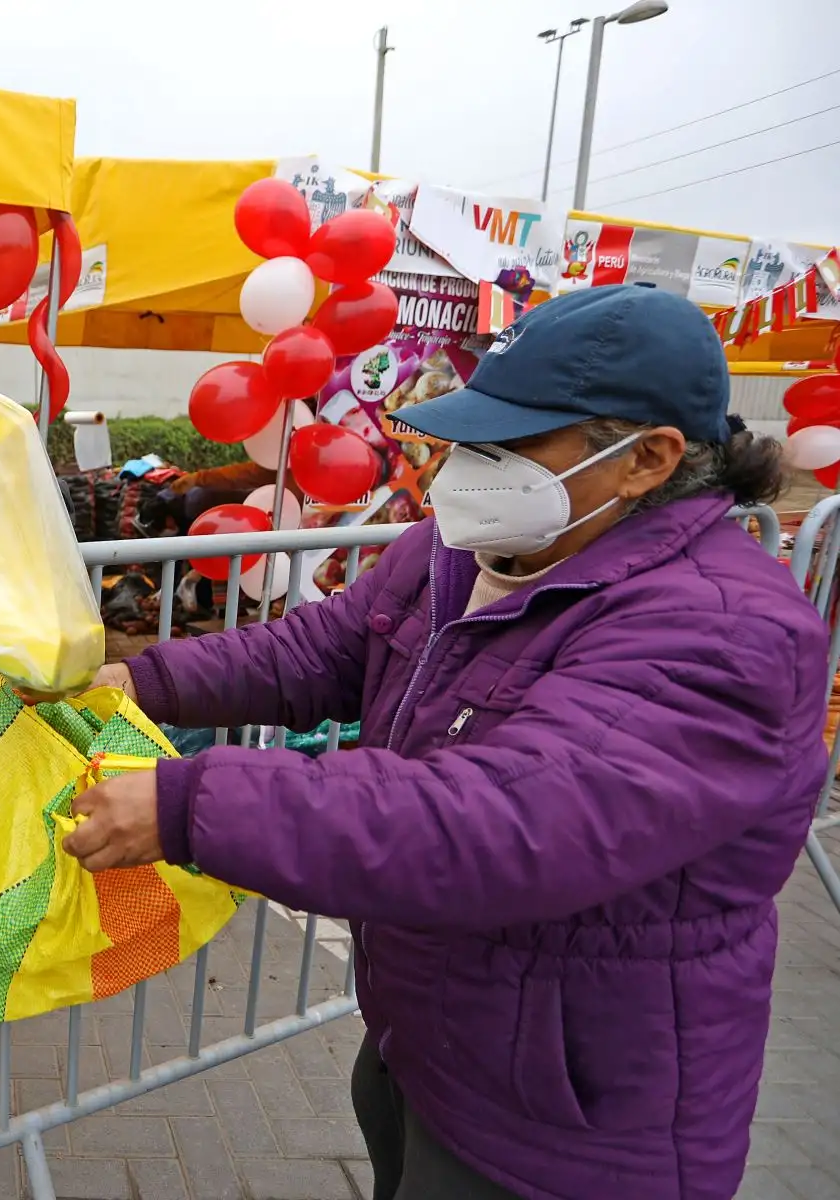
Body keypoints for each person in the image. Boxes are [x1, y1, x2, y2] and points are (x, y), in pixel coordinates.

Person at [60, 286, 829, 1200]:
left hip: (568, 1122)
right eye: (467, 437)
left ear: (646, 460)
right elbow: (326, 646)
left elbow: (506, 820)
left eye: (503, 446)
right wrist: (143, 679)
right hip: (430, 1043)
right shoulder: (476, 545)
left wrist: (191, 804)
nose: (465, 469)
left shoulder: (720, 628)